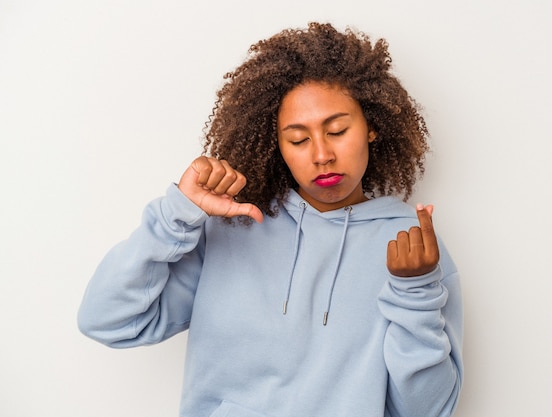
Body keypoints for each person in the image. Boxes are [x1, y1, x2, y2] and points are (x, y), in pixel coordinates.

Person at [77, 22, 463, 417]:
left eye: (337, 130)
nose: (321, 154)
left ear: (372, 128)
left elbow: (426, 411)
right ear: (275, 145)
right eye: (298, 139)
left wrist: (414, 293)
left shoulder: (410, 245)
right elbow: (107, 320)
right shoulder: (234, 227)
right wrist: (177, 214)